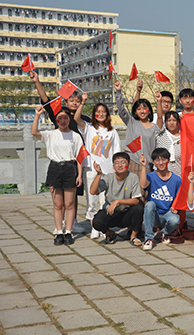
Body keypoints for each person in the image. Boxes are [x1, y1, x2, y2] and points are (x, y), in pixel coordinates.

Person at [31, 70, 88, 234]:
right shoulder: (60, 114)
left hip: (75, 160)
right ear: (66, 101)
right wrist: (37, 81)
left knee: (73, 196)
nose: (75, 103)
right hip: (58, 163)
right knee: (59, 199)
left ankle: (73, 222)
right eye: (72, 100)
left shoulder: (83, 119)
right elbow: (46, 100)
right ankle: (61, 224)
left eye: (78, 101)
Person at [31, 106, 83, 245]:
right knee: (57, 204)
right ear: (56, 120)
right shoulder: (51, 134)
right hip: (55, 168)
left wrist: (80, 175)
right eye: (60, 118)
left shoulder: (75, 136)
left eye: (65, 118)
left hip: (70, 168)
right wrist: (37, 115)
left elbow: (80, 157)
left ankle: (69, 231)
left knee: (69, 204)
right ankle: (59, 232)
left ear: (69, 119)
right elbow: (34, 132)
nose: (63, 121)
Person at [74, 92, 121, 239]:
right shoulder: (89, 128)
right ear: (94, 114)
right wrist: (83, 102)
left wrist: (117, 168)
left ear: (107, 114)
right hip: (91, 169)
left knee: (104, 200)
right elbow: (76, 118)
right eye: (98, 112)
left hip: (107, 169)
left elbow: (117, 151)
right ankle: (94, 226)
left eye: (103, 112)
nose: (101, 114)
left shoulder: (112, 131)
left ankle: (103, 226)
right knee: (92, 199)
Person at [90, 152, 144, 245]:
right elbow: (93, 191)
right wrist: (99, 174)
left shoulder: (133, 177)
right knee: (97, 222)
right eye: (117, 163)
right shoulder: (109, 177)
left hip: (126, 213)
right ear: (113, 167)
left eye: (123, 162)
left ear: (129, 165)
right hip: (111, 212)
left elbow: (136, 200)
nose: (120, 165)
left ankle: (133, 236)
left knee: (138, 208)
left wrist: (118, 201)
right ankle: (109, 234)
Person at [115, 79, 159, 182]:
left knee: (144, 190)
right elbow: (121, 110)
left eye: (144, 108)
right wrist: (118, 92)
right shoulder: (132, 122)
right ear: (135, 112)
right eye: (139, 109)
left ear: (149, 110)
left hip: (147, 165)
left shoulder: (155, 128)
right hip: (131, 162)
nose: (142, 111)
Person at [139, 149, 182, 250]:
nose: (161, 163)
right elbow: (143, 185)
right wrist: (143, 166)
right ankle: (149, 238)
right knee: (149, 204)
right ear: (153, 162)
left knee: (175, 220)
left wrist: (175, 207)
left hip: (167, 213)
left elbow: (179, 196)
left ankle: (165, 233)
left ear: (168, 160)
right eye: (157, 160)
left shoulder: (176, 179)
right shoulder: (150, 176)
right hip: (154, 215)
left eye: (163, 159)